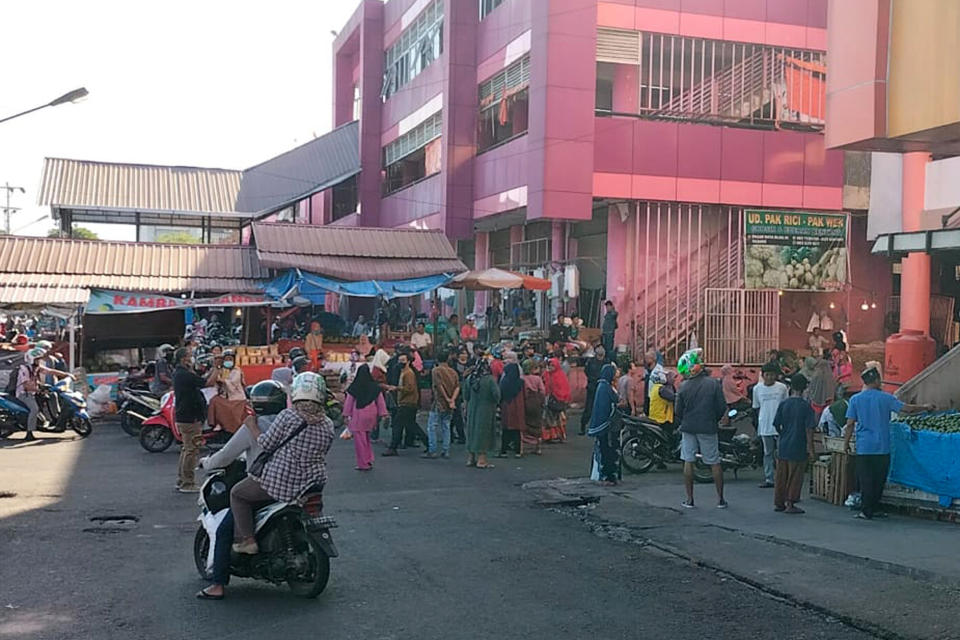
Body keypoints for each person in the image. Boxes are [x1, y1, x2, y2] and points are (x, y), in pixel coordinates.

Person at [195, 379, 287, 600]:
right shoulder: (290, 422)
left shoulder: (252, 426)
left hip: (265, 486)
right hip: (293, 484)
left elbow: (226, 456)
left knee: (226, 524)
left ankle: (218, 584)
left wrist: (207, 463)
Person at [229, 372, 335, 555]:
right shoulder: (328, 424)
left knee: (237, 494)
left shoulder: (288, 416)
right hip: (312, 483)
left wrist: (252, 426)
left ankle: (248, 540)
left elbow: (266, 444)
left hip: (282, 482)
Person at [844, 363, 931, 520]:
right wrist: (925, 407)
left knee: (866, 479)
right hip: (882, 446)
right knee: (879, 479)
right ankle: (874, 508)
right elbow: (907, 409)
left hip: (864, 447)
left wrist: (846, 444)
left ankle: (866, 510)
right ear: (876, 380)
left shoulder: (855, 400)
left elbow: (850, 423)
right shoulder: (886, 398)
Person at [675, 349, 728, 509]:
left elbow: (678, 411)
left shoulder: (683, 387)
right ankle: (720, 499)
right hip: (708, 427)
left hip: (689, 427)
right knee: (714, 462)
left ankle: (690, 499)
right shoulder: (713, 384)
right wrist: (714, 419)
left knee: (688, 461)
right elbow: (721, 407)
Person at [173, 347, 218, 493]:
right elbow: (208, 383)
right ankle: (188, 483)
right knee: (192, 450)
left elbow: (202, 378)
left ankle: (182, 480)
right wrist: (217, 368)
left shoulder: (181, 373)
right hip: (190, 417)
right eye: (190, 356)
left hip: (186, 415)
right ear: (183, 359)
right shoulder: (184, 374)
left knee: (187, 449)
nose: (192, 358)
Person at [772, 375, 817, 514]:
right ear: (804, 389)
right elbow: (809, 430)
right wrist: (811, 449)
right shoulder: (806, 407)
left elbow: (776, 424)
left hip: (784, 445)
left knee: (781, 475)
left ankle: (779, 503)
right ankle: (791, 503)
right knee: (795, 476)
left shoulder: (784, 404)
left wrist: (784, 434)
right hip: (798, 444)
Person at [343, 364, 387, 471]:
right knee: (367, 438)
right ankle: (368, 458)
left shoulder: (354, 387)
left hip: (358, 415)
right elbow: (380, 402)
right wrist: (383, 414)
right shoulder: (375, 387)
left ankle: (363, 463)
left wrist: (346, 415)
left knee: (360, 440)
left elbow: (349, 402)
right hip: (372, 414)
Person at [753, 363, 789, 488]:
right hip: (765, 425)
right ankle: (769, 478)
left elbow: (786, 406)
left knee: (781, 453)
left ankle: (782, 477)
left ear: (776, 375)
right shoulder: (757, 389)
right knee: (767, 452)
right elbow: (756, 407)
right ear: (763, 375)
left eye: (772, 375)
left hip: (780, 426)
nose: (769, 377)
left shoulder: (782, 388)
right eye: (767, 375)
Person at [382, 351, 422, 456]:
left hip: (407, 402)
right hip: (405, 402)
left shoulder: (409, 373)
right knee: (411, 425)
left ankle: (393, 447)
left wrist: (397, 388)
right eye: (400, 360)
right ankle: (428, 444)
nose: (401, 362)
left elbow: (410, 388)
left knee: (398, 424)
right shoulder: (403, 372)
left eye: (403, 360)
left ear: (408, 361)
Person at [463, 358, 500, 469]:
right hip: (486, 410)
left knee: (471, 432)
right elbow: (497, 395)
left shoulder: (470, 378)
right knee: (483, 433)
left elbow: (465, 394)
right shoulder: (490, 379)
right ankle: (481, 460)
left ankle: (470, 458)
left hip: (472, 408)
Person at [588, 364, 620, 486]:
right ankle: (607, 476)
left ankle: (607, 475)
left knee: (605, 449)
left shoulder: (603, 386)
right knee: (606, 450)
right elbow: (614, 401)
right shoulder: (605, 388)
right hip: (605, 425)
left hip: (605, 424)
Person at [424, 351, 459, 459]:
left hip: (438, 402)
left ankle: (432, 450)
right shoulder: (453, 372)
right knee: (446, 426)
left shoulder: (436, 370)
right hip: (450, 403)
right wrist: (452, 399)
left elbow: (438, 386)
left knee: (432, 427)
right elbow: (457, 387)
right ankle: (446, 450)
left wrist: (447, 398)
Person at [207, 350, 252, 434]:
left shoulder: (237, 371)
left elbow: (233, 383)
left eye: (230, 359)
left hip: (236, 396)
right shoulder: (224, 370)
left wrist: (223, 381)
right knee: (214, 401)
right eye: (226, 359)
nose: (228, 362)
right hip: (225, 396)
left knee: (229, 408)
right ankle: (217, 423)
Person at [498, 359, 526, 458]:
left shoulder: (504, 382)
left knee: (506, 430)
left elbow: (500, 395)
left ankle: (503, 451)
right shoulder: (521, 382)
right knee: (517, 430)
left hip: (507, 406)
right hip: (518, 407)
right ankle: (518, 451)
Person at [541, 357, 571, 443]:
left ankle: (559, 435)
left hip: (559, 400)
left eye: (552, 366)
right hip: (550, 399)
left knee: (558, 419)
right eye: (549, 365)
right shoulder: (547, 374)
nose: (550, 367)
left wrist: (561, 398)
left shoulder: (560, 376)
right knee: (548, 418)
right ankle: (550, 436)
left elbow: (564, 389)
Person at [580, 345, 606, 435]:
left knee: (602, 408)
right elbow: (586, 371)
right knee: (589, 407)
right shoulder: (591, 361)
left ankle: (600, 427)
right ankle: (583, 426)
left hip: (602, 387)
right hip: (592, 386)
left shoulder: (606, 362)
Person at [521, 359, 545, 456]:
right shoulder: (537, 379)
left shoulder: (521, 378)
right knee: (537, 424)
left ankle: (522, 448)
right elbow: (543, 391)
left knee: (524, 424)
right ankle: (538, 447)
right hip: (536, 403)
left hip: (525, 402)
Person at [642, 350, 665, 415]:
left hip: (655, 396)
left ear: (652, 359)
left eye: (647, 358)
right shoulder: (648, 369)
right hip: (650, 395)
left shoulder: (658, 370)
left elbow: (663, 380)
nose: (645, 360)